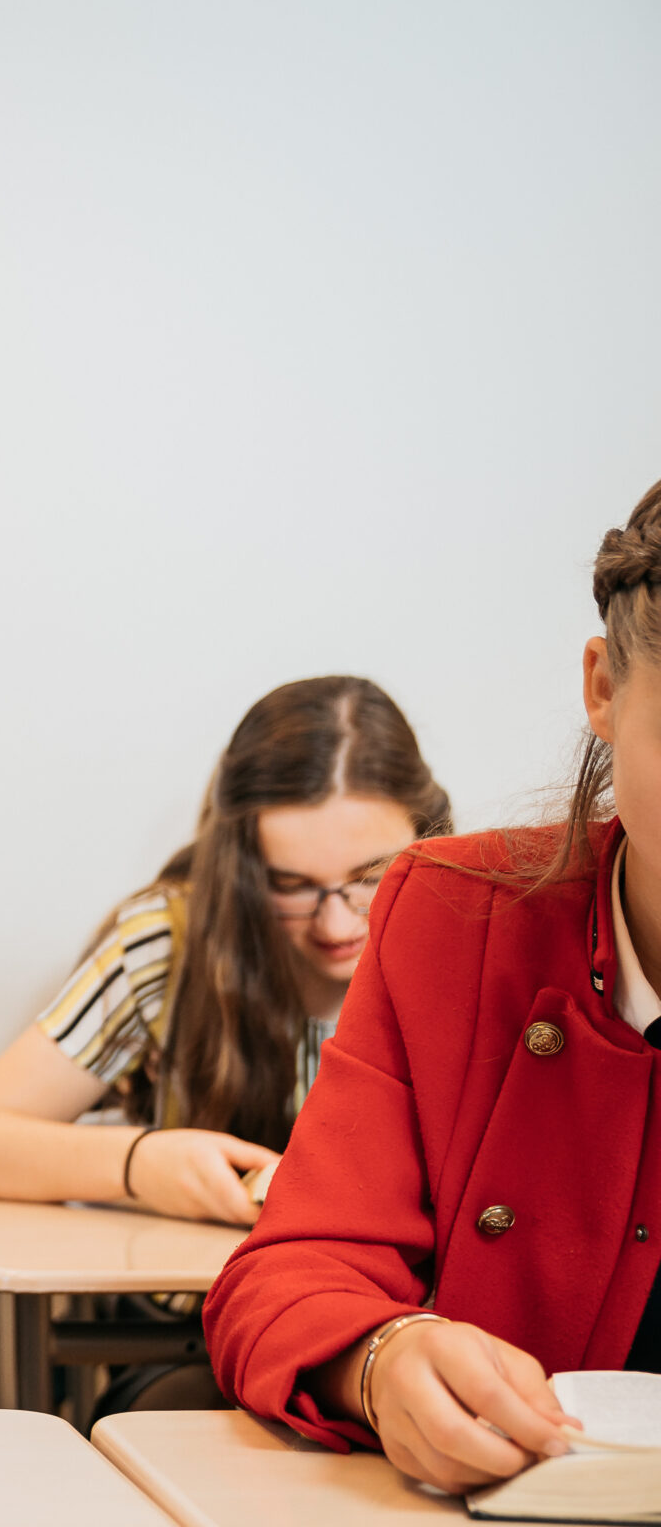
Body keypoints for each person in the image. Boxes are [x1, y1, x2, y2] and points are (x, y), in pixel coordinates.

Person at [204, 481, 661, 1495]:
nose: (331, 919)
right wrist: (380, 1358)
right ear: (603, 688)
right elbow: (288, 1277)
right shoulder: (456, 917)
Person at [0, 677, 451, 1227]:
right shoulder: (165, 943)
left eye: (370, 876)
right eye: (291, 884)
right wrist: (140, 1164)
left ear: (429, 835)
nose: (334, 922)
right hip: (188, 1306)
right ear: (241, 868)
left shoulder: (470, 944)